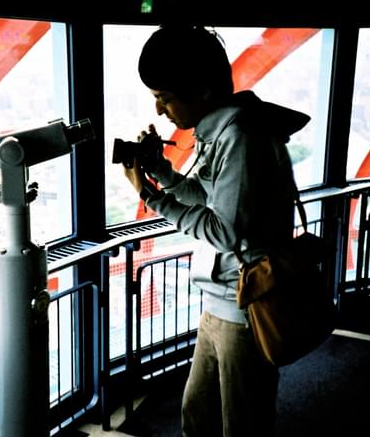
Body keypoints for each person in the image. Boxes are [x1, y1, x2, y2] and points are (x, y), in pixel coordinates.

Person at [122, 24, 310, 436]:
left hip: (244, 307)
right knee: (198, 414)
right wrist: (161, 173)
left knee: (243, 423)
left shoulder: (241, 138)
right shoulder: (225, 131)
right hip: (221, 302)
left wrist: (153, 198)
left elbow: (224, 231)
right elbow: (207, 197)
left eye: (165, 98)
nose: (159, 111)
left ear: (202, 91)